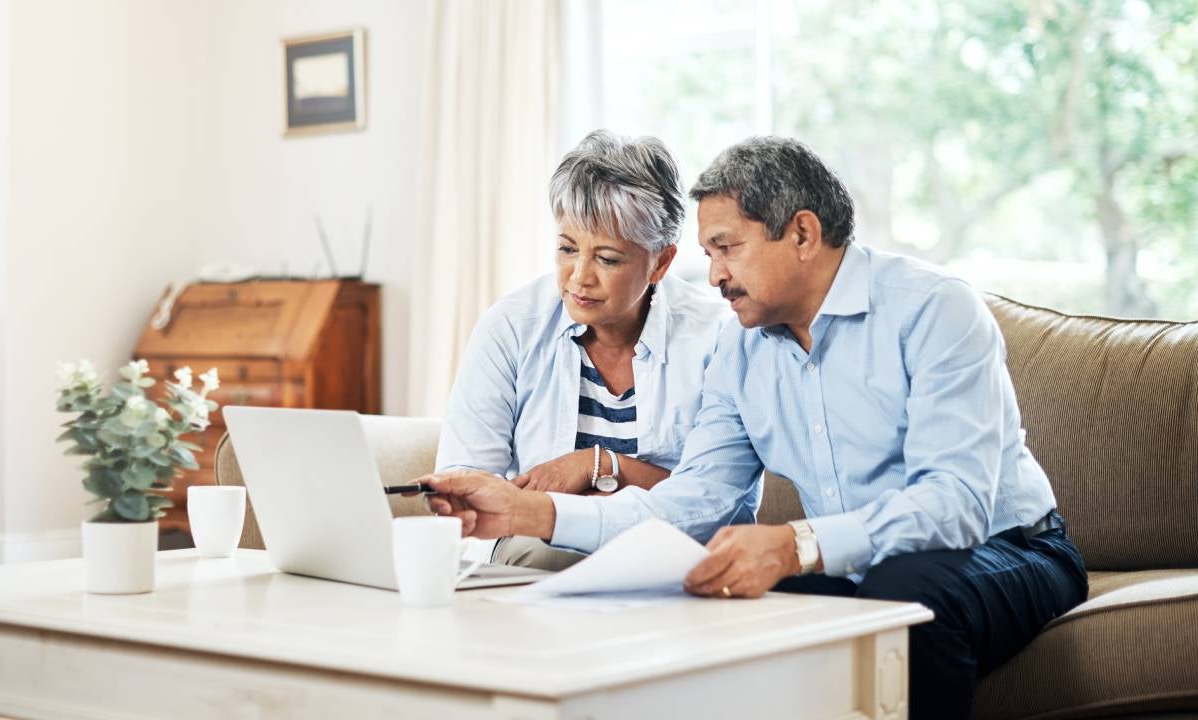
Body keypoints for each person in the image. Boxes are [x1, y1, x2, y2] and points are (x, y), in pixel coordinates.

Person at [419, 136, 1089, 719]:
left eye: (726, 249)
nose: (711, 276)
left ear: (801, 234)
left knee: (903, 599)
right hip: (864, 561)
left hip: (1012, 547)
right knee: (721, 613)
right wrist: (530, 510)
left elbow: (956, 506)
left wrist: (794, 546)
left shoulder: (935, 311)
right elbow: (693, 504)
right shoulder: (739, 348)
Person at [434, 130, 730, 571]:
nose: (579, 277)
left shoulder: (716, 339)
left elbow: (720, 504)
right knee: (542, 555)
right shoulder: (512, 326)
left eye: (607, 258)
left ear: (661, 263)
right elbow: (465, 482)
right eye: (567, 249)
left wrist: (599, 465)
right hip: (536, 558)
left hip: (666, 559)